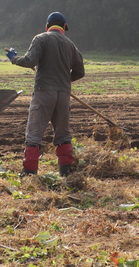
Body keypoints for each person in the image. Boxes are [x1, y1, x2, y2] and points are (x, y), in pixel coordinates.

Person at [5, 11, 85, 176]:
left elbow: (30, 61)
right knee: (63, 134)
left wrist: (14, 58)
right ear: (64, 27)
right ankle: (67, 172)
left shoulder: (40, 38)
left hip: (43, 93)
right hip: (63, 96)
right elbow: (80, 72)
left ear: (47, 26)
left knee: (34, 134)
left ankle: (29, 172)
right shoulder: (71, 45)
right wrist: (63, 80)